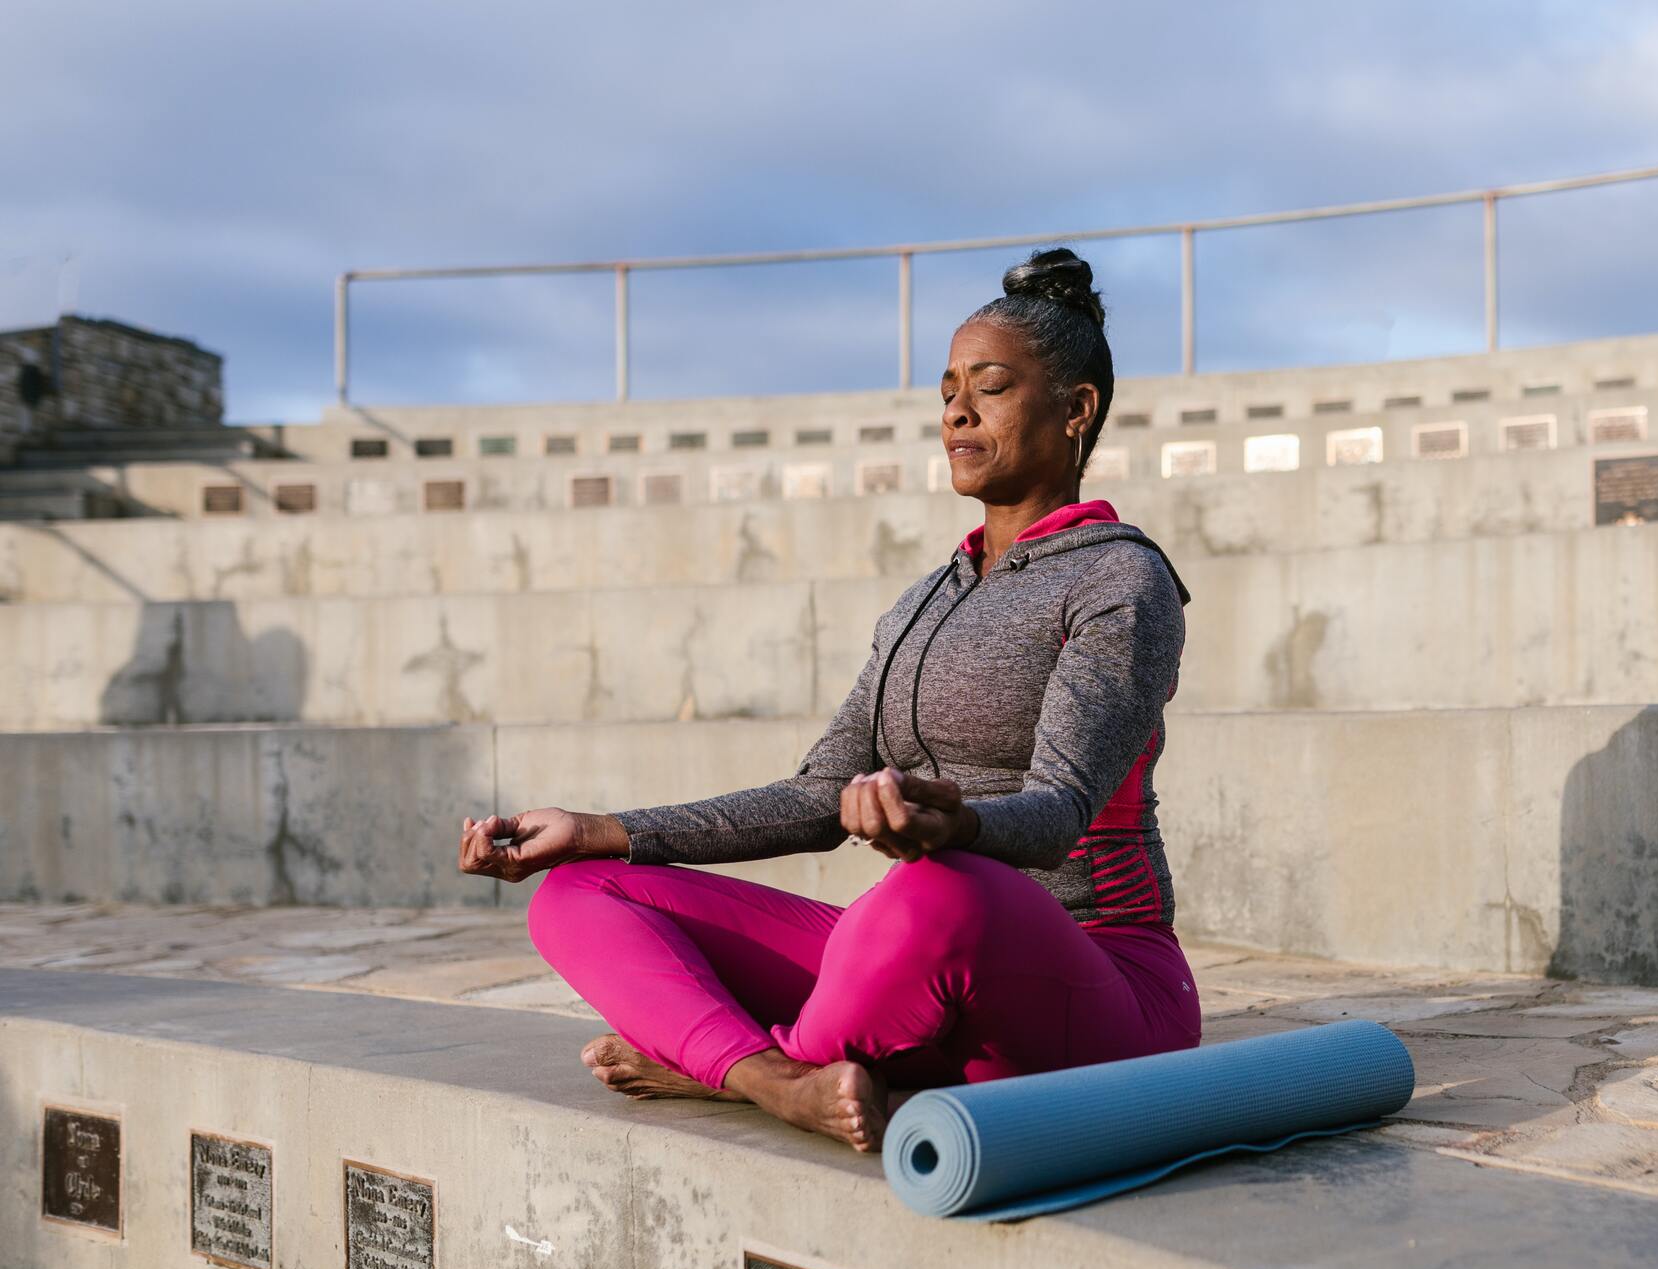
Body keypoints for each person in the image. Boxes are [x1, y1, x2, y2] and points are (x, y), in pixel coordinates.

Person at [459, 247, 1199, 1153]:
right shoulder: (926, 600)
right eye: (947, 391)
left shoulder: (1122, 579)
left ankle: (721, 1066)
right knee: (576, 894)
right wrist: (603, 828)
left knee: (933, 898)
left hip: (1093, 975)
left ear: (1076, 409)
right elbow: (818, 797)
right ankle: (777, 1080)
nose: (958, 410)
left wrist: (951, 828)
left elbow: (1057, 813)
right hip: (915, 952)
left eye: (992, 386)